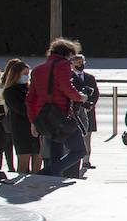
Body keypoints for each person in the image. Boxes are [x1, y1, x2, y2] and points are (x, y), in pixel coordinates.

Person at [25, 38, 87, 178]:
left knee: (55, 153)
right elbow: (66, 87)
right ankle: (47, 173)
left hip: (43, 116)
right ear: (68, 53)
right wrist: (80, 97)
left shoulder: (37, 69)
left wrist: (33, 121)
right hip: (59, 115)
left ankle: (52, 178)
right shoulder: (63, 65)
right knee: (79, 150)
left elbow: (30, 99)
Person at [1, 59, 38, 175]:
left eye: (28, 74)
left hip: (35, 128)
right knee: (23, 163)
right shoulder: (10, 91)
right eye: (24, 74)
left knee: (37, 160)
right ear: (16, 74)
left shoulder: (30, 88)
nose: (27, 76)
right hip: (21, 129)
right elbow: (20, 109)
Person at [70, 54, 98, 171]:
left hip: (88, 111)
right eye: (77, 62)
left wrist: (91, 104)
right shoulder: (69, 77)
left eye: (82, 62)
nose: (80, 65)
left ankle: (86, 160)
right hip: (75, 111)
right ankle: (75, 161)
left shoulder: (90, 77)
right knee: (76, 137)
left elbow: (95, 93)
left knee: (87, 136)